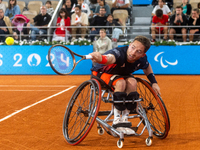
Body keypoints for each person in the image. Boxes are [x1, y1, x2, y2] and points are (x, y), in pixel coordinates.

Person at [90, 35, 161, 134]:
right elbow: (109, 58)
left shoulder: (142, 59)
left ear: (143, 54)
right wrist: (100, 58)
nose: (133, 53)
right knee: (121, 83)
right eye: (133, 47)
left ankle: (124, 119)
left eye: (138, 51)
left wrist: (154, 83)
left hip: (122, 74)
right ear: (130, 44)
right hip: (102, 73)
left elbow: (147, 66)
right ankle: (117, 121)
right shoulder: (119, 53)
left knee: (133, 82)